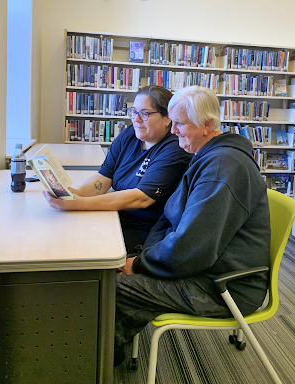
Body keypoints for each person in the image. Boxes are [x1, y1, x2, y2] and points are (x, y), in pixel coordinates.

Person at [114, 86, 271, 364]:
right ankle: (110, 348)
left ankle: (98, 361)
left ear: (207, 124)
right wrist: (144, 255)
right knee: (114, 272)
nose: (173, 131)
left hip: (223, 286)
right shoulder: (207, 155)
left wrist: (138, 264)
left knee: (112, 289)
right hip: (203, 267)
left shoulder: (222, 167)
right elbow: (174, 220)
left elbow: (191, 245)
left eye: (180, 124)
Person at [43, 86, 193, 253]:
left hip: (145, 231)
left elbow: (140, 198)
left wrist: (79, 203)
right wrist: (73, 194)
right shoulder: (130, 135)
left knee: (84, 250)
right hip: (115, 218)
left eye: (145, 113)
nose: (136, 119)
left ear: (167, 118)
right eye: (134, 112)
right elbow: (103, 178)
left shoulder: (174, 150)